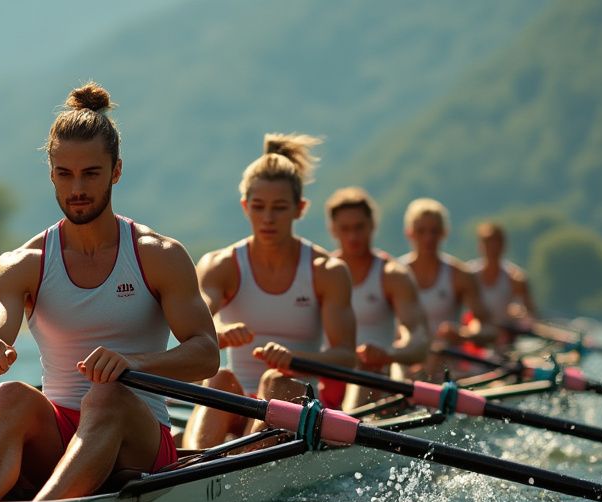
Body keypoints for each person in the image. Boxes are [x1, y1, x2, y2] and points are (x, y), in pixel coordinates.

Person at [0, 83, 218, 502]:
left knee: (108, 393)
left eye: (90, 173)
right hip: (60, 437)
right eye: (64, 174)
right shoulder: (22, 263)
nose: (76, 188)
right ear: (52, 175)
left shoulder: (158, 255)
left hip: (141, 445)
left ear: (116, 171)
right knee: (9, 395)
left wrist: (132, 364)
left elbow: (206, 353)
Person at [182, 134, 356, 450]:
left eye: (279, 208)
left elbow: (345, 357)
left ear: (300, 209)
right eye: (259, 207)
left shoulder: (326, 271)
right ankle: (199, 460)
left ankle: (235, 462)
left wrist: (295, 360)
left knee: (275, 380)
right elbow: (193, 321)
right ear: (245, 206)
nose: (268, 218)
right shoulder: (221, 265)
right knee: (221, 378)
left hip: (300, 401)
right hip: (238, 403)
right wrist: (217, 332)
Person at [324, 187, 430, 408]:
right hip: (327, 376)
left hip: (375, 379)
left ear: (373, 225)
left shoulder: (393, 275)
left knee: (366, 370)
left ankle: (345, 426)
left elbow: (419, 341)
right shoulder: (321, 272)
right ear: (333, 229)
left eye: (359, 227)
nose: (353, 237)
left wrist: (388, 354)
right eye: (345, 229)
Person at [398, 198, 496, 380]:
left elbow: (488, 329)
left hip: (447, 367)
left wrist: (464, 334)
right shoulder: (395, 274)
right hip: (405, 365)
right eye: (421, 231)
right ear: (409, 233)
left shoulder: (460, 275)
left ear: (444, 233)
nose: (428, 238)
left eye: (434, 231)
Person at [466, 220, 537, 351]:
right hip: (476, 336)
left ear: (503, 246)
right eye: (488, 242)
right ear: (480, 246)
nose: (492, 247)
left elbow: (532, 314)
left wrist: (521, 311)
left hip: (505, 338)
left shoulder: (515, 277)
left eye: (496, 242)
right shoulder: (469, 273)